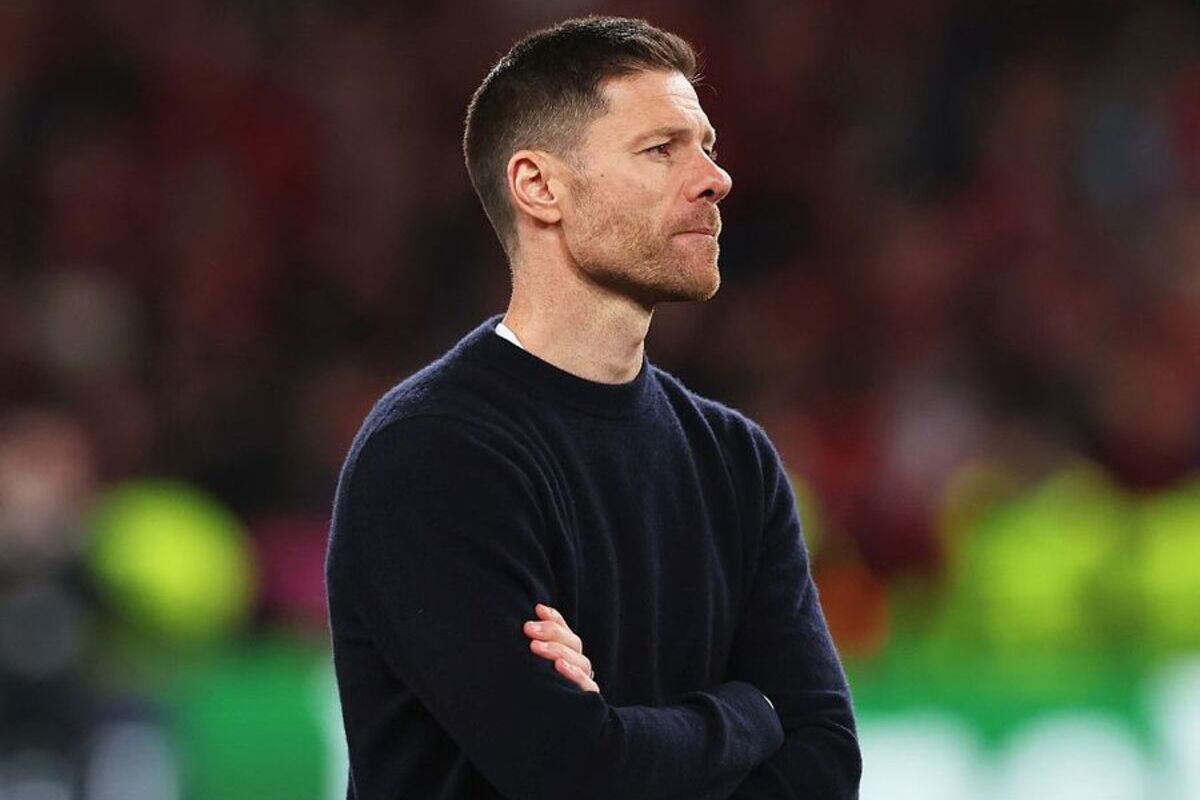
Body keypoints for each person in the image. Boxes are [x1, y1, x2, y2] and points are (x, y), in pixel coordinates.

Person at [326, 15, 861, 800]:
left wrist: (620, 733)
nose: (714, 178)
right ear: (539, 187)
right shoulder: (433, 455)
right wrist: (748, 715)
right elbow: (571, 772)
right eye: (661, 149)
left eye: (706, 146)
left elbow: (826, 766)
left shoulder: (735, 460)